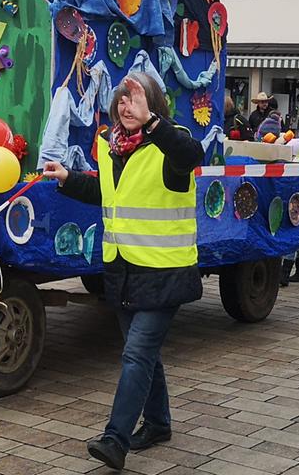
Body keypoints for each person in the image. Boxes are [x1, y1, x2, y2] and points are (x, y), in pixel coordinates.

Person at [43, 73, 202, 470]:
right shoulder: (113, 147)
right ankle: (159, 424)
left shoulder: (170, 145)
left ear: (153, 106)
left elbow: (192, 154)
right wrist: (69, 180)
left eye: (135, 100)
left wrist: (152, 123)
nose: (126, 107)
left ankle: (116, 439)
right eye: (122, 101)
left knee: (135, 355)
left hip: (164, 271)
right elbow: (108, 194)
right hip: (123, 269)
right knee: (144, 355)